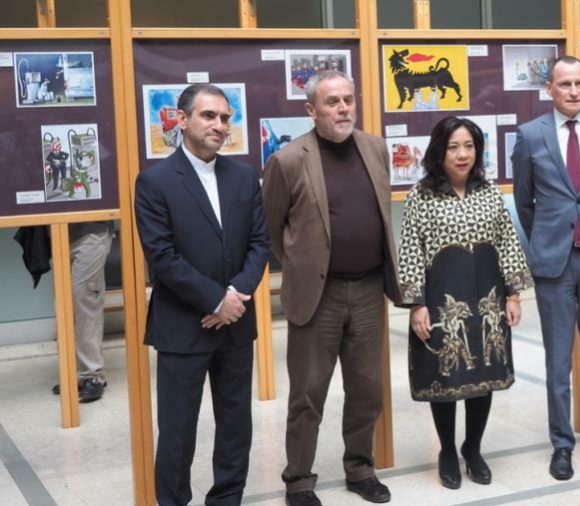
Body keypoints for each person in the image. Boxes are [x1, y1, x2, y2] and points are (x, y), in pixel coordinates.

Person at [262, 70, 399, 506]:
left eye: (348, 100)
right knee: (308, 394)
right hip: (318, 296)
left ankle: (360, 468)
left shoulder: (375, 148)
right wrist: (308, 265)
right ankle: (299, 480)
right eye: (332, 102)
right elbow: (274, 230)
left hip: (369, 290)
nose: (343, 109)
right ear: (311, 109)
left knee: (367, 389)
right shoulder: (287, 160)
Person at [134, 83, 270, 506]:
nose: (219, 125)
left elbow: (260, 244)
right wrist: (216, 300)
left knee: (235, 426)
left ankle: (227, 499)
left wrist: (235, 296)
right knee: (177, 432)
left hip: (235, 325)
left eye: (225, 118)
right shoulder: (155, 181)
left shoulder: (244, 177)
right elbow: (162, 256)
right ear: (182, 119)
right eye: (209, 115)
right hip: (182, 326)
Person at [397, 116, 533, 490]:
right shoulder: (421, 195)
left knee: (482, 374)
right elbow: (410, 250)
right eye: (453, 147)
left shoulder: (489, 192)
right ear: (439, 151)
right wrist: (416, 304)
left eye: (469, 146)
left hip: (487, 299)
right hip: (442, 301)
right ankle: (446, 450)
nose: (462, 154)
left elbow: (507, 242)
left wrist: (513, 294)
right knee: (445, 375)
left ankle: (472, 448)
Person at [512, 55, 580, 481]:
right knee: (557, 360)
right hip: (553, 263)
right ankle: (561, 445)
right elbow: (524, 201)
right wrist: (547, 237)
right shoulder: (530, 135)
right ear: (550, 89)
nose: (574, 91)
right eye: (565, 84)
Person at [50, 221, 115, 402]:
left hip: (92, 230)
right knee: (65, 305)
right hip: (59, 232)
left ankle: (92, 375)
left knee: (85, 300)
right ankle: (74, 374)